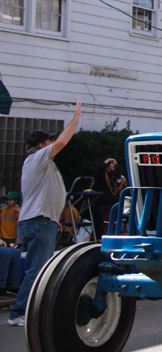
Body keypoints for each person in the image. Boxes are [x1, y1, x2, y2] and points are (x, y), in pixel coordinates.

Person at [8, 101, 81, 327]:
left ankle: (25, 310)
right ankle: (19, 313)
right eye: (48, 141)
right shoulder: (37, 158)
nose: (52, 143)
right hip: (39, 223)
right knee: (37, 271)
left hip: (40, 221)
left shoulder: (38, 164)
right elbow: (62, 142)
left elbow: (44, 193)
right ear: (41, 145)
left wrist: (52, 219)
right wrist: (76, 118)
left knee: (37, 269)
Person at [94, 158, 127, 235]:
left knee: (120, 221)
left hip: (114, 203)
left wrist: (120, 183)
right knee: (109, 223)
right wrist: (108, 159)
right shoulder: (102, 175)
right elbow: (100, 168)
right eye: (111, 163)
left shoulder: (111, 176)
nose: (114, 164)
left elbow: (114, 190)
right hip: (105, 204)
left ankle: (120, 234)